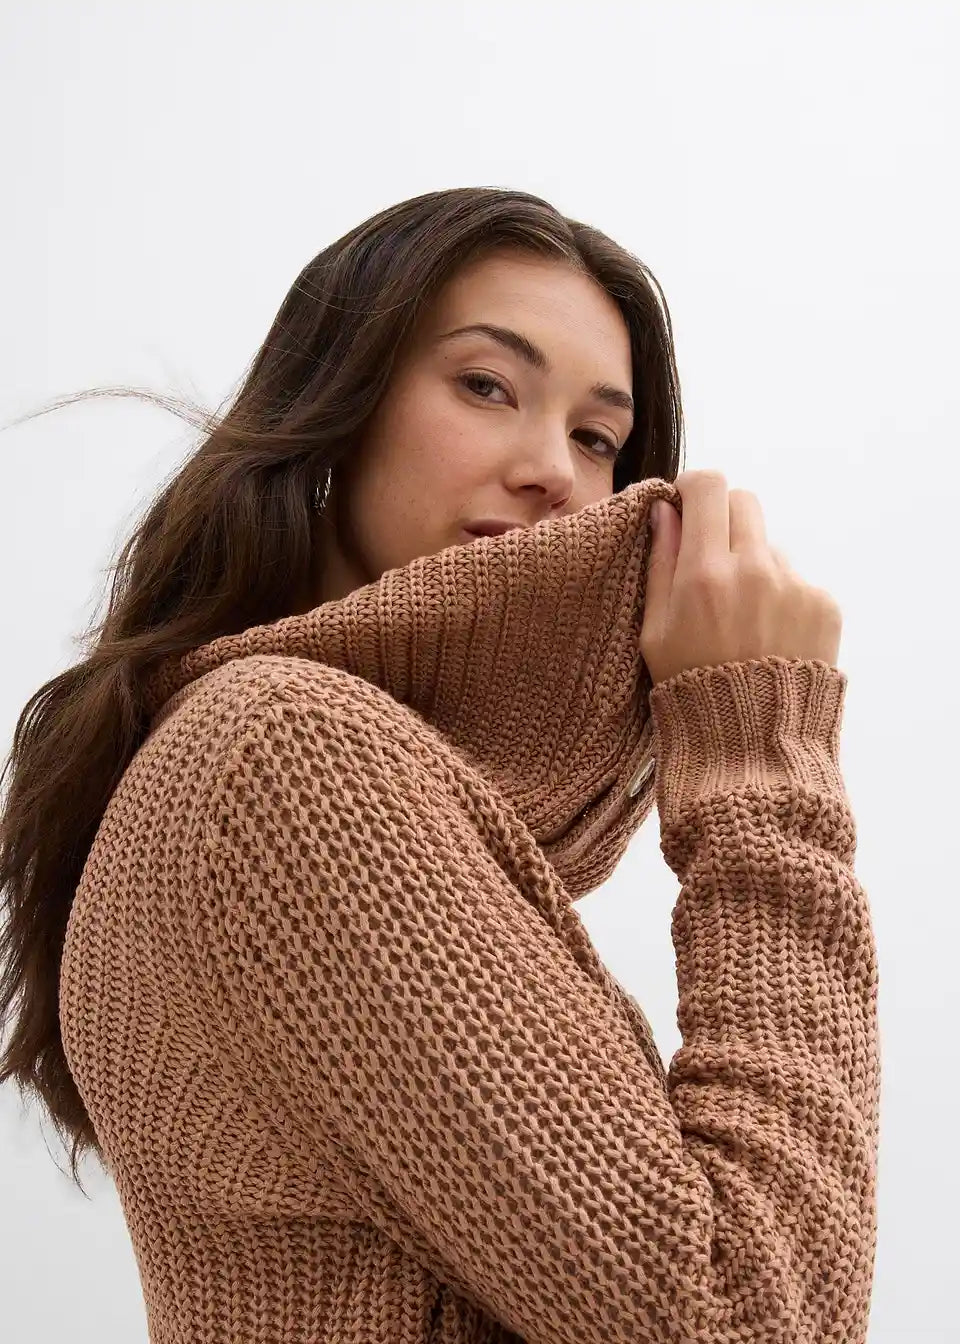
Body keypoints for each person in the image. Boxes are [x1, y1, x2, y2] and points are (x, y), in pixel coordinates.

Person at [0, 186, 879, 1343]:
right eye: (486, 386)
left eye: (597, 438)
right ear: (338, 412)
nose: (554, 471)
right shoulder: (287, 757)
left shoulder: (265, 761)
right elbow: (748, 1318)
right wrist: (765, 761)